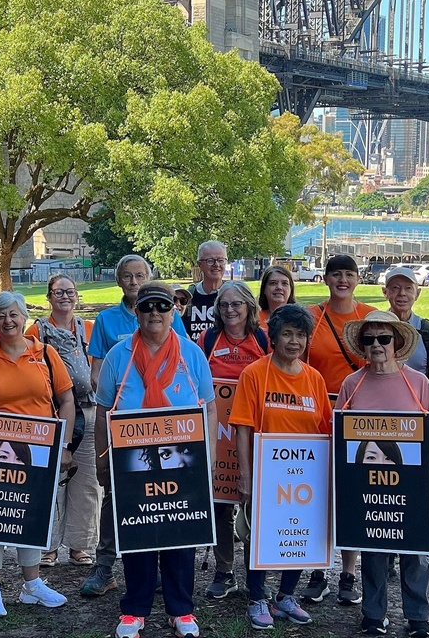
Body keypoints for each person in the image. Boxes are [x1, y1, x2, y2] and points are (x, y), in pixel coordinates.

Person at [94, 282, 215, 638]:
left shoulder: (192, 355)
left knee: (181, 533)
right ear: (137, 312)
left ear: (173, 311)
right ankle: (135, 609)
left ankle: (182, 610)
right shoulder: (118, 356)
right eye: (147, 308)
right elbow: (103, 410)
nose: (155, 314)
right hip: (133, 460)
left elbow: (208, 407)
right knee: (138, 535)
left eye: (163, 306)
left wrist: (207, 459)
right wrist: (103, 463)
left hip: (183, 460)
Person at [0, 291, 75, 619]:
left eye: (13, 314)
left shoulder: (46, 354)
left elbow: (66, 400)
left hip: (38, 452)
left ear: (24, 317)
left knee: (29, 514)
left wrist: (63, 445)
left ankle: (31, 585)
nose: (7, 321)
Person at [337, 311, 429, 638]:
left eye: (383, 338)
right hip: (365, 486)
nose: (376, 345)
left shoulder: (418, 383)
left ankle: (418, 618)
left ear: (397, 343)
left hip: (410, 486)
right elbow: (341, 438)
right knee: (371, 551)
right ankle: (373, 615)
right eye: (369, 340)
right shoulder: (351, 384)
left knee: (415, 552)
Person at [83, 255, 187, 597]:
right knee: (116, 498)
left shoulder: (170, 319)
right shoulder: (107, 320)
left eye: (139, 275)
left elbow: (183, 364)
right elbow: (98, 370)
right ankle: (105, 565)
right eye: (127, 275)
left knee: (164, 501)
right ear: (119, 281)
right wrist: (116, 396)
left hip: (167, 431)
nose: (133, 280)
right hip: (125, 427)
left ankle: (155, 570)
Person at [229, 304, 330, 630]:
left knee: (298, 534)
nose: (294, 341)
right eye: (287, 333)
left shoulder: (314, 379)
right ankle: (257, 597)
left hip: (305, 478)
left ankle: (286, 595)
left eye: (300, 335)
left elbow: (326, 429)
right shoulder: (254, 374)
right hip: (265, 474)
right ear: (273, 336)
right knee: (261, 538)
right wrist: (246, 476)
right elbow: (242, 427)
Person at [302, 254, 375, 605]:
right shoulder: (313, 318)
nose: (342, 280)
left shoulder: (369, 316)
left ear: (357, 278)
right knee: (318, 495)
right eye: (336, 274)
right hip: (318, 413)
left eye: (349, 274)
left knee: (352, 495)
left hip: (359, 414)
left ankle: (348, 573)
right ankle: (319, 570)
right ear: (326, 279)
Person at [200, 281, 269, 600]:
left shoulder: (263, 338)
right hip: (218, 434)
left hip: (256, 433)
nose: (229, 310)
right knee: (219, 508)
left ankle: (257, 574)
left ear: (249, 307)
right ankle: (224, 571)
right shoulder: (208, 338)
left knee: (256, 504)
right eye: (223, 305)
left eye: (236, 304)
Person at [27, 275, 100, 568]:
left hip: (89, 409)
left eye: (70, 291)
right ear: (49, 297)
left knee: (87, 481)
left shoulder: (90, 328)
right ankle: (48, 546)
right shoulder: (35, 330)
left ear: (77, 296)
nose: (65, 297)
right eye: (59, 292)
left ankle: (80, 545)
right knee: (51, 480)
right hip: (51, 413)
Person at [382, 268, 429, 392]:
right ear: (385, 292)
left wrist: (422, 408)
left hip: (418, 407)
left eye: (408, 288)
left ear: (418, 293)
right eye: (395, 288)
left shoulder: (428, 331)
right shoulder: (375, 329)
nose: (402, 293)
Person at [184, 242, 230, 344]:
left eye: (221, 260)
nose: (216, 265)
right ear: (199, 264)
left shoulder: (234, 295)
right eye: (210, 261)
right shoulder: (188, 297)